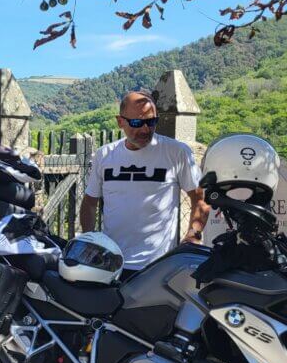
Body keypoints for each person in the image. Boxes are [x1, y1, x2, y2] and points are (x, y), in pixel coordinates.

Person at [80, 91, 210, 277]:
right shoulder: (105, 155)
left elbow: (200, 200)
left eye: (151, 122)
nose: (145, 130)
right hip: (111, 262)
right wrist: (89, 239)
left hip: (158, 266)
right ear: (120, 122)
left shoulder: (176, 153)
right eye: (136, 123)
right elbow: (90, 202)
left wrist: (193, 236)